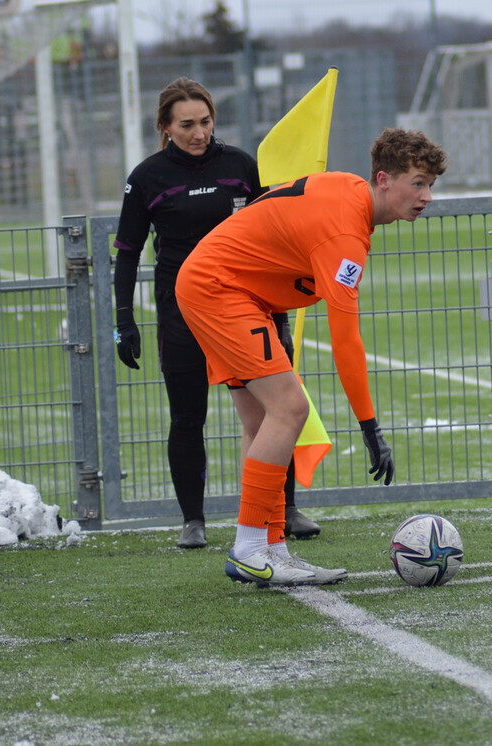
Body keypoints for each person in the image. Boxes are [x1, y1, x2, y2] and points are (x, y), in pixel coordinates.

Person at [175, 127, 448, 586]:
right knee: (291, 407)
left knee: (262, 422)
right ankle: (248, 548)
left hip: (230, 289)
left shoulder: (349, 196)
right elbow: (345, 340)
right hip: (219, 289)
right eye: (417, 182)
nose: (426, 196)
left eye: (431, 185)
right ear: (383, 179)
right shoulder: (346, 230)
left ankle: (272, 547)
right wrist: (369, 427)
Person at [112, 77, 322, 549]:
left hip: (248, 307)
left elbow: (273, 235)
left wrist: (281, 310)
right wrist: (123, 321)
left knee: (275, 411)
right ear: (165, 127)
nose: (198, 132)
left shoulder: (240, 166)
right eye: (186, 124)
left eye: (205, 121)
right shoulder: (146, 177)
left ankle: (283, 510)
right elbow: (126, 253)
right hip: (181, 310)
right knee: (188, 417)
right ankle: (193, 520)